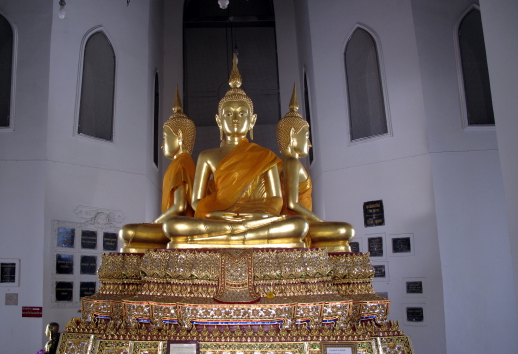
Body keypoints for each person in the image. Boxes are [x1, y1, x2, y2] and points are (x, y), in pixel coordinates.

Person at [163, 56, 308, 248]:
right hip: (218, 219)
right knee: (175, 226)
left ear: (253, 120)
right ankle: (238, 236)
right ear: (218, 121)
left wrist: (253, 215)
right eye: (228, 114)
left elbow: (276, 201)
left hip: (256, 220)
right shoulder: (207, 156)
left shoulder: (266, 156)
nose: (235, 119)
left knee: (298, 225)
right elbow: (197, 202)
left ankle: (230, 236)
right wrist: (221, 215)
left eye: (242, 113)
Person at [276, 84, 354, 252]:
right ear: (292, 135)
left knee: (344, 231)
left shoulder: (286, 164)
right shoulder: (290, 163)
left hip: (297, 223)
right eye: (306, 136)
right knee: (344, 230)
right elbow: (291, 203)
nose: (309, 143)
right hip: (295, 223)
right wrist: (319, 221)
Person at [119, 87, 196, 252]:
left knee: (129, 232)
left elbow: (180, 207)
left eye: (165, 137)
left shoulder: (182, 163)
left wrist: (155, 223)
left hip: (177, 227)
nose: (162, 145)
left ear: (180, 136)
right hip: (175, 227)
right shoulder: (183, 163)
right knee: (129, 232)